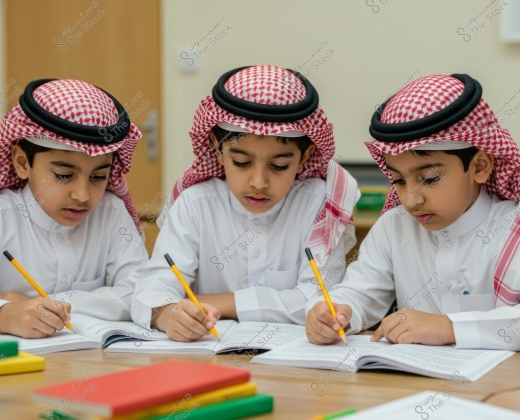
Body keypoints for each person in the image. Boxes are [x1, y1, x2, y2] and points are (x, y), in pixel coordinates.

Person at [306, 73, 520, 350]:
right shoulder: (394, 227)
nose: (410, 200)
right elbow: (361, 292)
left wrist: (448, 327)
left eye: (430, 179)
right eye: (398, 180)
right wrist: (336, 312)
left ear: (480, 167)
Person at [132, 65, 359, 342]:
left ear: (304, 157)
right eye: (241, 163)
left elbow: (317, 301)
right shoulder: (196, 203)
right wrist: (168, 315)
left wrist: (219, 302)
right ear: (217, 149)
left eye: (278, 166)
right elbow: (151, 288)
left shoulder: (320, 205)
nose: (259, 182)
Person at [0, 78, 149, 338]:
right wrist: (5, 315)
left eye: (98, 177)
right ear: (22, 162)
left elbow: (141, 291)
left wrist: (50, 305)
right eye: (64, 175)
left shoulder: (111, 214)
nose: (82, 195)